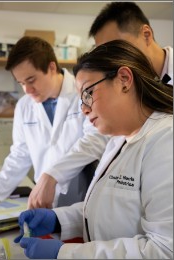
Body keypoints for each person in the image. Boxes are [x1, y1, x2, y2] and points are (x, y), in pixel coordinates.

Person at [14, 40, 173, 259]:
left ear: (124, 80)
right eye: (80, 100)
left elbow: (165, 250)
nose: (84, 109)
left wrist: (66, 254)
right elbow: (107, 211)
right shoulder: (119, 140)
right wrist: (59, 219)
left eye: (88, 93)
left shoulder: (166, 140)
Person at [27, 1, 173, 209]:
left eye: (116, 47)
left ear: (146, 35)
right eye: (103, 51)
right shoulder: (120, 113)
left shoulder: (164, 130)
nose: (109, 58)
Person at [0, 36, 107, 206]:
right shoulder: (24, 106)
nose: (27, 90)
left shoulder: (82, 93)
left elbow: (96, 139)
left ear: (51, 67)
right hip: (43, 199)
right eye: (21, 83)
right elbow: (20, 154)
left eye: (31, 80)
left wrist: (54, 174)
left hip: (80, 198)